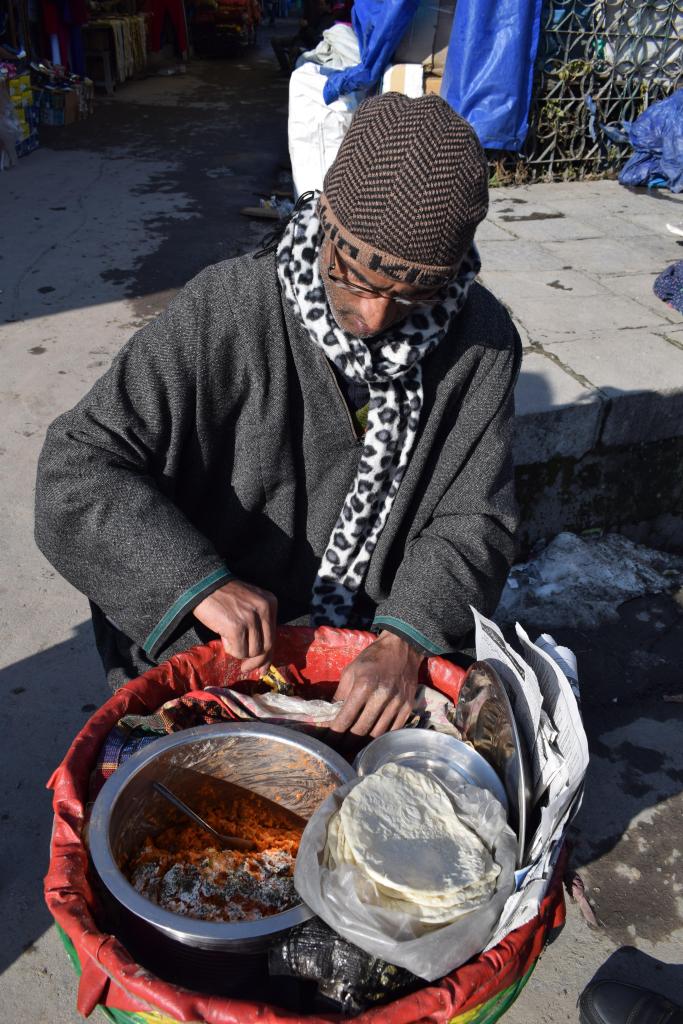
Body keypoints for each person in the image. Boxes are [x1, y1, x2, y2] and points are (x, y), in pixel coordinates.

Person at [35, 93, 521, 738]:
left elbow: (475, 515)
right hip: (208, 646)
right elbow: (78, 466)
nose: (375, 317)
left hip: (370, 655)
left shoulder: (481, 340)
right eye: (355, 277)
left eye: (413, 295)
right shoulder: (230, 306)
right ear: (324, 220)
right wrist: (198, 585)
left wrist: (408, 636)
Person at [271, 0, 335, 74]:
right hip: (301, 38)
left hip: (309, 43)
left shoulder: (327, 19)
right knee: (275, 40)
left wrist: (306, 27)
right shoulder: (315, 13)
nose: (319, 7)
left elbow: (316, 37)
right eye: (318, 4)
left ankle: (293, 72)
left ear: (328, 6)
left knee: (295, 49)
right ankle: (285, 68)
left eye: (321, 5)